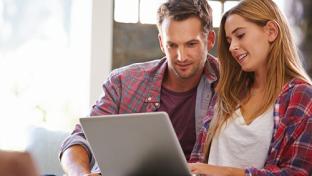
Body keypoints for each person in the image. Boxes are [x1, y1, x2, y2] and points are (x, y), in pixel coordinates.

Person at [59, 0, 219, 175]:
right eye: (172, 45)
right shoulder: (122, 81)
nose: (181, 56)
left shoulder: (229, 84)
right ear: (161, 42)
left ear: (210, 39)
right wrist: (81, 174)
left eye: (191, 44)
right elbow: (79, 138)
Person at [189, 0, 312, 175]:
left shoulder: (301, 96)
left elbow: (297, 172)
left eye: (240, 35)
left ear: (271, 31)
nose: (232, 47)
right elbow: (199, 161)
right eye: (229, 40)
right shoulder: (227, 93)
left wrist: (228, 173)